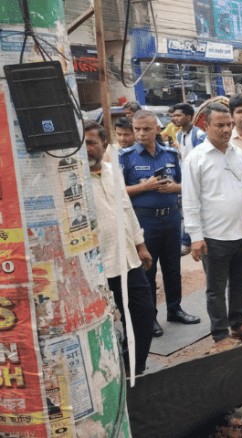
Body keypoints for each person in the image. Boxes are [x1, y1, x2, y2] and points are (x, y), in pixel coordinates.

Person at [182, 103, 242, 354]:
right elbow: (190, 201)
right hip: (214, 237)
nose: (226, 129)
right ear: (206, 126)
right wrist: (195, 237)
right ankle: (219, 334)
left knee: (241, 282)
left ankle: (237, 322)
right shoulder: (196, 158)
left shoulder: (237, 154)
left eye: (229, 125)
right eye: (220, 125)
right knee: (216, 289)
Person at [120, 110, 201, 338]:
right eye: (137, 129)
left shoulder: (169, 154)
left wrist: (173, 187)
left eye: (146, 129)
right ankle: (151, 317)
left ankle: (175, 309)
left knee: (172, 268)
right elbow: (117, 192)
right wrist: (143, 187)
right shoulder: (126, 157)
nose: (141, 134)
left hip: (171, 218)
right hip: (144, 220)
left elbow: (185, 184)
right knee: (148, 270)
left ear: (157, 129)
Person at [84, 120, 155, 375]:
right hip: (96, 270)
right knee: (105, 328)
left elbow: (128, 212)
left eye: (91, 142)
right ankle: (112, 376)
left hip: (127, 261)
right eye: (81, 144)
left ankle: (134, 369)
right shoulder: (73, 179)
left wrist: (141, 246)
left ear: (104, 144)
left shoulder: (114, 172)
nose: (86, 149)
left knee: (144, 316)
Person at [172, 102, 207, 257]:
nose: (175, 118)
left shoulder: (199, 135)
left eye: (178, 115)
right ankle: (187, 241)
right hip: (186, 177)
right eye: (173, 116)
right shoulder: (179, 135)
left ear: (188, 117)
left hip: (197, 179)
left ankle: (189, 241)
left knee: (196, 209)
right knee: (188, 210)